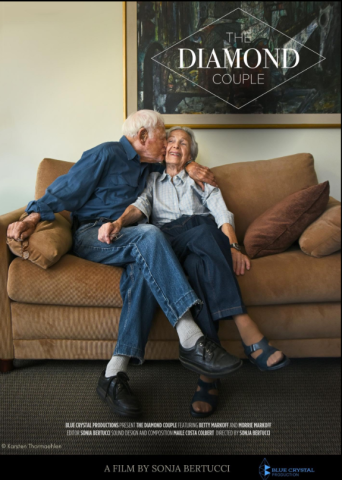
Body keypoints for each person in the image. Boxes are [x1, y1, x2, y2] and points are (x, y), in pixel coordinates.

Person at [6, 110, 243, 418]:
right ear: (142, 137)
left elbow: (175, 162)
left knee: (144, 270)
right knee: (150, 235)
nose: (167, 143)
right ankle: (191, 337)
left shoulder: (150, 164)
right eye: (163, 136)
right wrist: (32, 217)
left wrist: (192, 164)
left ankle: (113, 374)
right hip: (93, 234)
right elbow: (65, 189)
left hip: (127, 238)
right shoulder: (106, 153)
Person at [107, 126, 290, 418]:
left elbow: (221, 213)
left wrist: (233, 245)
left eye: (184, 144)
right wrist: (118, 222)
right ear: (163, 148)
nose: (176, 146)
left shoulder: (202, 178)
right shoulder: (151, 178)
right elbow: (139, 206)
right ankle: (246, 326)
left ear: (191, 153)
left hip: (202, 237)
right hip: (168, 240)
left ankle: (208, 376)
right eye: (171, 141)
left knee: (199, 261)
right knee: (199, 235)